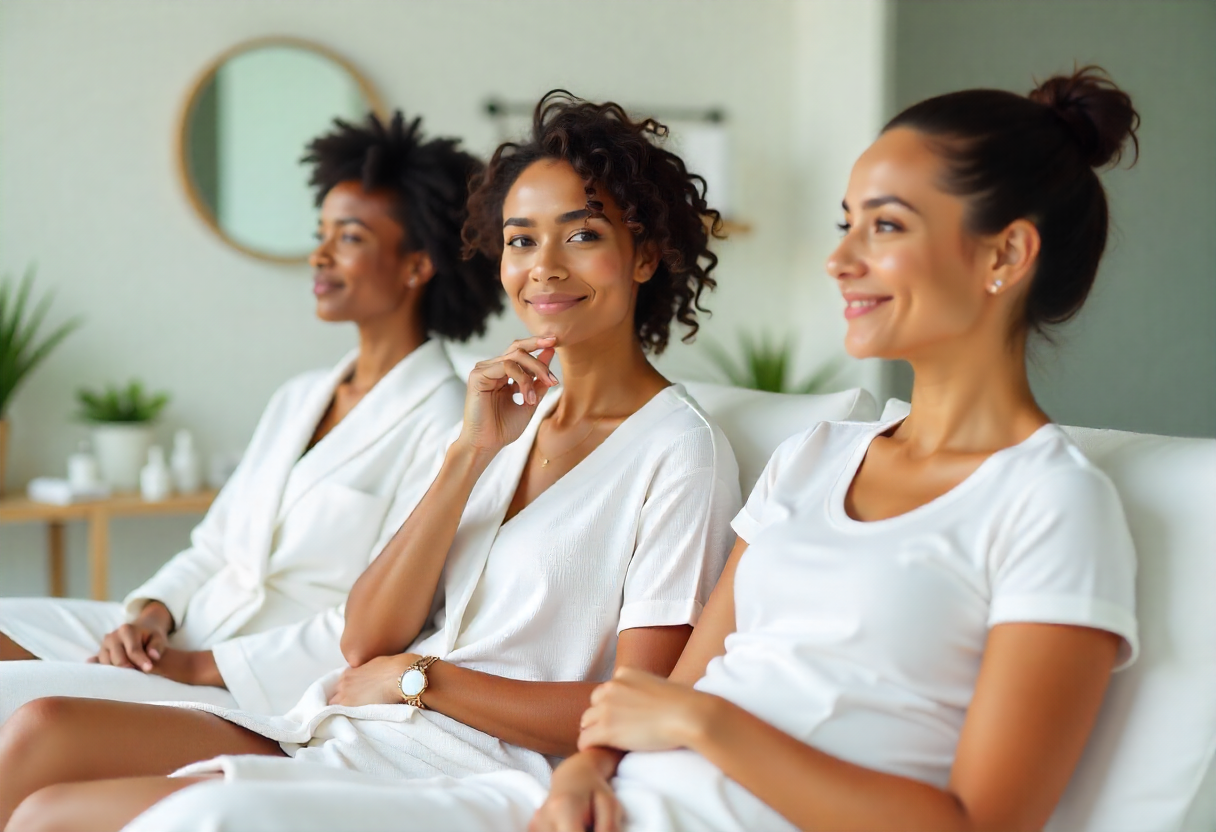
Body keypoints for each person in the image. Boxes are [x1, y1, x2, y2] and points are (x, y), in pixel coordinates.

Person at [66, 66, 1140, 832]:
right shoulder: (820, 452)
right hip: (593, 794)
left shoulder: (1050, 503)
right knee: (55, 802)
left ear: (1005, 254)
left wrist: (679, 728)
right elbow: (650, 698)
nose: (838, 258)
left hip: (533, 771)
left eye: (885, 225)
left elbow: (966, 814)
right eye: (845, 220)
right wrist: (590, 766)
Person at [0, 91, 741, 831]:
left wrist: (422, 680)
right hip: (348, 720)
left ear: (646, 254)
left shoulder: (678, 451)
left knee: (59, 818)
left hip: (467, 761)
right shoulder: (505, 420)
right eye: (521, 240)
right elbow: (365, 637)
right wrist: (470, 453)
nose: (543, 267)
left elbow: (637, 702)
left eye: (580, 236)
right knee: (45, 761)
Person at [0, 111, 503, 723]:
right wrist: (150, 614)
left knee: (20, 699)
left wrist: (200, 666)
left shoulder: (447, 420)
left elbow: (391, 617)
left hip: (257, 676)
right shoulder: (299, 397)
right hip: (180, 630)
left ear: (416, 266)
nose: (318, 255)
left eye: (348, 238)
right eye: (320, 233)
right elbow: (212, 546)